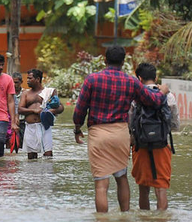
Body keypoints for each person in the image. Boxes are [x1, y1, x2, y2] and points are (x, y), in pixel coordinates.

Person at [73, 45, 170, 213]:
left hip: (98, 134)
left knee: (101, 186)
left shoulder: (92, 79)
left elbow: (80, 109)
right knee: (121, 178)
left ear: (105, 60)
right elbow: (152, 101)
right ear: (123, 61)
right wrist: (163, 92)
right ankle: (124, 218)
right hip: (121, 134)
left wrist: (77, 128)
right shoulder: (131, 81)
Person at [129, 63, 180, 211]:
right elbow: (175, 124)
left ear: (139, 78)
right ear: (155, 77)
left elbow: (131, 121)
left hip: (140, 146)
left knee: (143, 189)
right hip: (161, 145)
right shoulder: (168, 95)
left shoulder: (136, 97)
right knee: (161, 188)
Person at [18, 68, 64, 159]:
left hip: (44, 126)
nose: (27, 81)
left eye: (30, 78)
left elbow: (61, 107)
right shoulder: (25, 94)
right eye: (27, 78)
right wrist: (34, 111)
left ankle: (46, 173)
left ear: (38, 79)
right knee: (31, 157)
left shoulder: (50, 92)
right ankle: (33, 173)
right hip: (30, 127)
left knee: (48, 155)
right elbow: (20, 109)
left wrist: (51, 111)